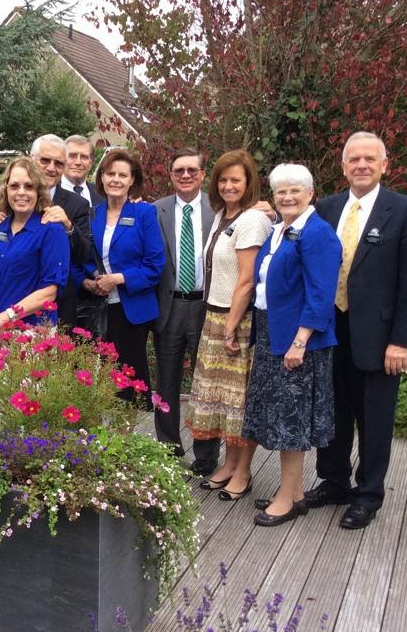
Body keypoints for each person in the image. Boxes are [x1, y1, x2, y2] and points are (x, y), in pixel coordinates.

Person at [304, 132, 407, 530]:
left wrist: (402, 341)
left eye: (369, 159)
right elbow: (293, 234)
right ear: (343, 167)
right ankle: (334, 481)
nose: (361, 165)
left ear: (384, 165)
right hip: (330, 330)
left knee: (375, 418)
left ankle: (368, 494)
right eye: (354, 159)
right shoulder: (324, 209)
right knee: (333, 411)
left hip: (379, 337)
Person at [241, 164, 342, 526]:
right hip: (272, 332)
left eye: (295, 190)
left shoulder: (318, 234)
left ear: (310, 193)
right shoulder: (281, 230)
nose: (287, 197)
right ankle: (296, 494)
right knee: (282, 415)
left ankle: (286, 498)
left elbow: (321, 295)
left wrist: (299, 342)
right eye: (280, 191)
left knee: (291, 421)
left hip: (299, 340)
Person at [187, 149, 273, 500]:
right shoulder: (223, 215)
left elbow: (247, 280)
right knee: (223, 400)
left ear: (249, 182)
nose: (228, 185)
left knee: (240, 401)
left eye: (236, 179)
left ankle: (243, 472)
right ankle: (228, 464)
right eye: (222, 179)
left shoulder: (253, 220)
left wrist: (231, 325)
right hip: (215, 315)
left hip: (238, 320)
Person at [0, 135, 91, 326]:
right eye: (45, 160)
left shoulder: (75, 207)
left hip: (43, 317)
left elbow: (84, 255)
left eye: (59, 163)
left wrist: (68, 227)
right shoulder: (0, 210)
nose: (51, 168)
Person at [79, 150, 165, 405]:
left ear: (132, 180)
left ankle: (125, 430)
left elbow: (155, 266)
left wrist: (117, 278)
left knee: (127, 385)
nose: (115, 179)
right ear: (102, 178)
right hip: (96, 308)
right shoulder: (92, 214)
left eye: (122, 175)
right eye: (110, 174)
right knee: (93, 380)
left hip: (130, 310)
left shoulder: (144, 214)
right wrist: (89, 281)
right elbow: (81, 258)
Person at [152, 148, 219, 474]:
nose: (186, 175)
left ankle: (206, 456)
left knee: (205, 384)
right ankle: (167, 449)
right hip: (169, 306)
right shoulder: (155, 210)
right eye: (179, 170)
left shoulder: (219, 208)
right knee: (166, 381)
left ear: (203, 174)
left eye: (192, 170)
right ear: (171, 175)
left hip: (206, 306)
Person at [0, 157, 70, 337]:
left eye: (29, 186)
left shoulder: (52, 230)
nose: (21, 192)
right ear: (6, 190)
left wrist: (1, 320)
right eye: (14, 186)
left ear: (39, 191)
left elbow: (49, 292)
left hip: (31, 334)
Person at [60, 135, 101, 209]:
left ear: (91, 162)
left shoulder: (102, 194)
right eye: (72, 156)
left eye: (84, 157)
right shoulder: (49, 192)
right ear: (62, 159)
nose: (78, 162)